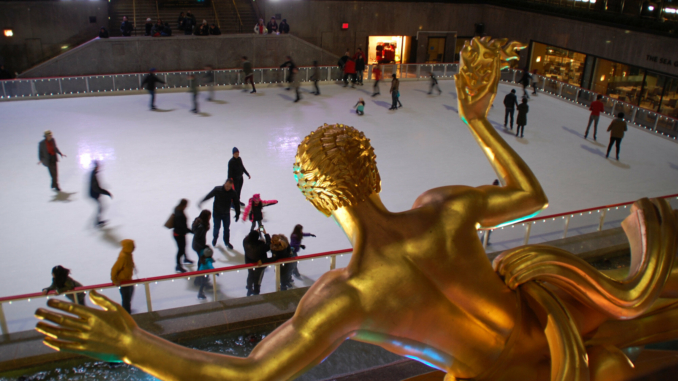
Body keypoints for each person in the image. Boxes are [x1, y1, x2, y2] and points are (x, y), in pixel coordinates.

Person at [199, 179, 240, 250]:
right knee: (216, 228)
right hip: (217, 213)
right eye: (226, 186)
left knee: (227, 229)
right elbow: (209, 195)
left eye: (229, 187)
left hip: (226, 214)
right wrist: (202, 201)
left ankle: (227, 242)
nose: (227, 188)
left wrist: (238, 213)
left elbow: (236, 203)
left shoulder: (233, 193)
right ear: (224, 184)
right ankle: (215, 238)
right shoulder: (217, 189)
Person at [243, 228, 272, 296]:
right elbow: (269, 245)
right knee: (258, 277)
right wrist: (265, 234)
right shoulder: (261, 246)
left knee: (250, 275)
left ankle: (249, 289)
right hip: (259, 265)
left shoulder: (245, 242)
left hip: (249, 263)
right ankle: (256, 290)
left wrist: (255, 231)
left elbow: (247, 237)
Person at [111, 239, 136, 314]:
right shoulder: (123, 257)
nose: (134, 247)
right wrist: (115, 280)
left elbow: (129, 262)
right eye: (133, 246)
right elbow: (114, 269)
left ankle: (126, 311)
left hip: (128, 280)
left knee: (129, 296)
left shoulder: (128, 254)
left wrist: (132, 266)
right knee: (126, 298)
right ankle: (126, 314)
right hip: (123, 281)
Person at [172, 199, 193, 273]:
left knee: (183, 247)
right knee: (180, 250)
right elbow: (183, 227)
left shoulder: (177, 209)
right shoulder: (180, 215)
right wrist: (191, 231)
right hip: (179, 234)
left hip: (179, 233)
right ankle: (178, 265)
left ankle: (185, 258)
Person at [89, 161, 112, 227]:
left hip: (94, 193)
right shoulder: (94, 175)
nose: (100, 167)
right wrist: (106, 192)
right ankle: (97, 222)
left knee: (100, 207)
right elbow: (96, 188)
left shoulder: (94, 173)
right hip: (94, 194)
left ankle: (97, 221)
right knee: (100, 207)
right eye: (98, 166)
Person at [479, 180, 501, 245]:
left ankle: (484, 241)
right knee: (489, 229)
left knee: (489, 230)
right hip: (491, 215)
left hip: (490, 214)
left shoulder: (490, 192)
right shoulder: (496, 194)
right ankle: (484, 241)